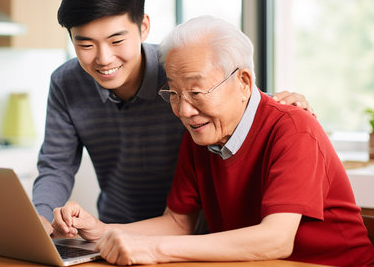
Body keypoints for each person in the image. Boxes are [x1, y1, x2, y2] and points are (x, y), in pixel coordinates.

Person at [51, 16, 374, 266]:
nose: (184, 110)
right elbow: (178, 222)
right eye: (174, 93)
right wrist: (103, 231)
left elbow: (276, 240)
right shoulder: (201, 136)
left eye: (195, 91)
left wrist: (152, 248)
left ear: (244, 82)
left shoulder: (293, 128)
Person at [33, 0, 312, 231]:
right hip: (115, 230)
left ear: (143, 27)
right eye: (85, 45)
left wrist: (280, 105)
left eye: (117, 41)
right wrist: (42, 219)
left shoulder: (178, 70)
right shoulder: (66, 83)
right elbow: (56, 166)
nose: (104, 59)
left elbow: (233, 106)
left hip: (197, 232)